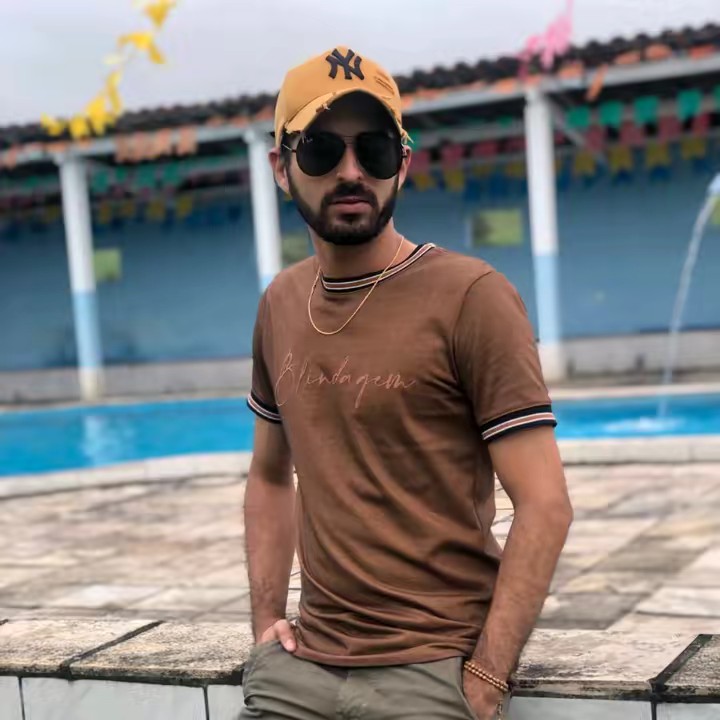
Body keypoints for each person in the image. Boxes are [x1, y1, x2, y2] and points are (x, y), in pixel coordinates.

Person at [242, 45, 573, 720]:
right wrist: (264, 625)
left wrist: (487, 676)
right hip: (300, 671)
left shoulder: (471, 296)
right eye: (321, 151)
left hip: (431, 671)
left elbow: (545, 504)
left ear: (404, 162)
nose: (352, 172)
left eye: (375, 149)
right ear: (281, 167)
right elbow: (270, 476)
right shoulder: (280, 303)